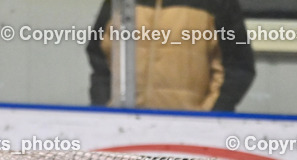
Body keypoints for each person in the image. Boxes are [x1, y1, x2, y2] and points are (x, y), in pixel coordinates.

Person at [86, 0, 255, 111]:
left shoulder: (216, 3)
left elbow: (237, 67)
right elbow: (101, 58)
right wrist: (105, 108)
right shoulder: (121, 2)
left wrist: (209, 116)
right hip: (124, 130)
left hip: (191, 137)